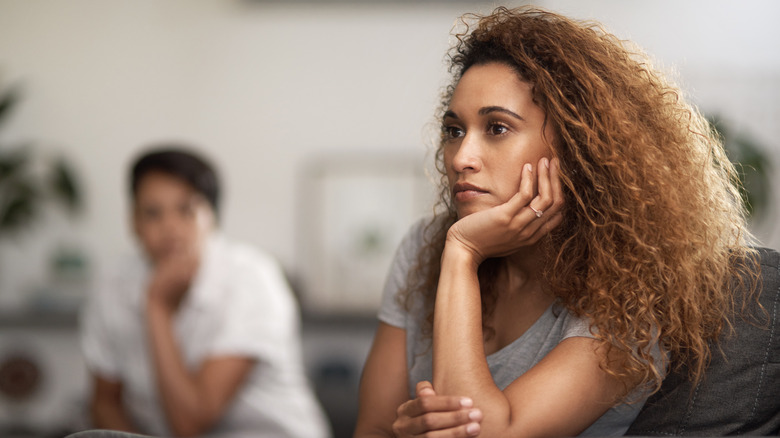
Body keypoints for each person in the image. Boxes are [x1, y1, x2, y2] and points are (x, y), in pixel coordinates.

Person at [354, 6, 758, 438]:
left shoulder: (631, 290)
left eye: (496, 128)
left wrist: (463, 255)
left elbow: (488, 435)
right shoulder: (423, 247)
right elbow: (374, 427)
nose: (462, 158)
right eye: (455, 131)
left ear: (576, 146)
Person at [80, 146, 330, 438]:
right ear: (132, 222)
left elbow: (192, 422)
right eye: (152, 213)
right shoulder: (112, 284)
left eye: (186, 210)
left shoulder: (252, 278)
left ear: (212, 217)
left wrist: (157, 307)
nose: (170, 227)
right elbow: (105, 402)